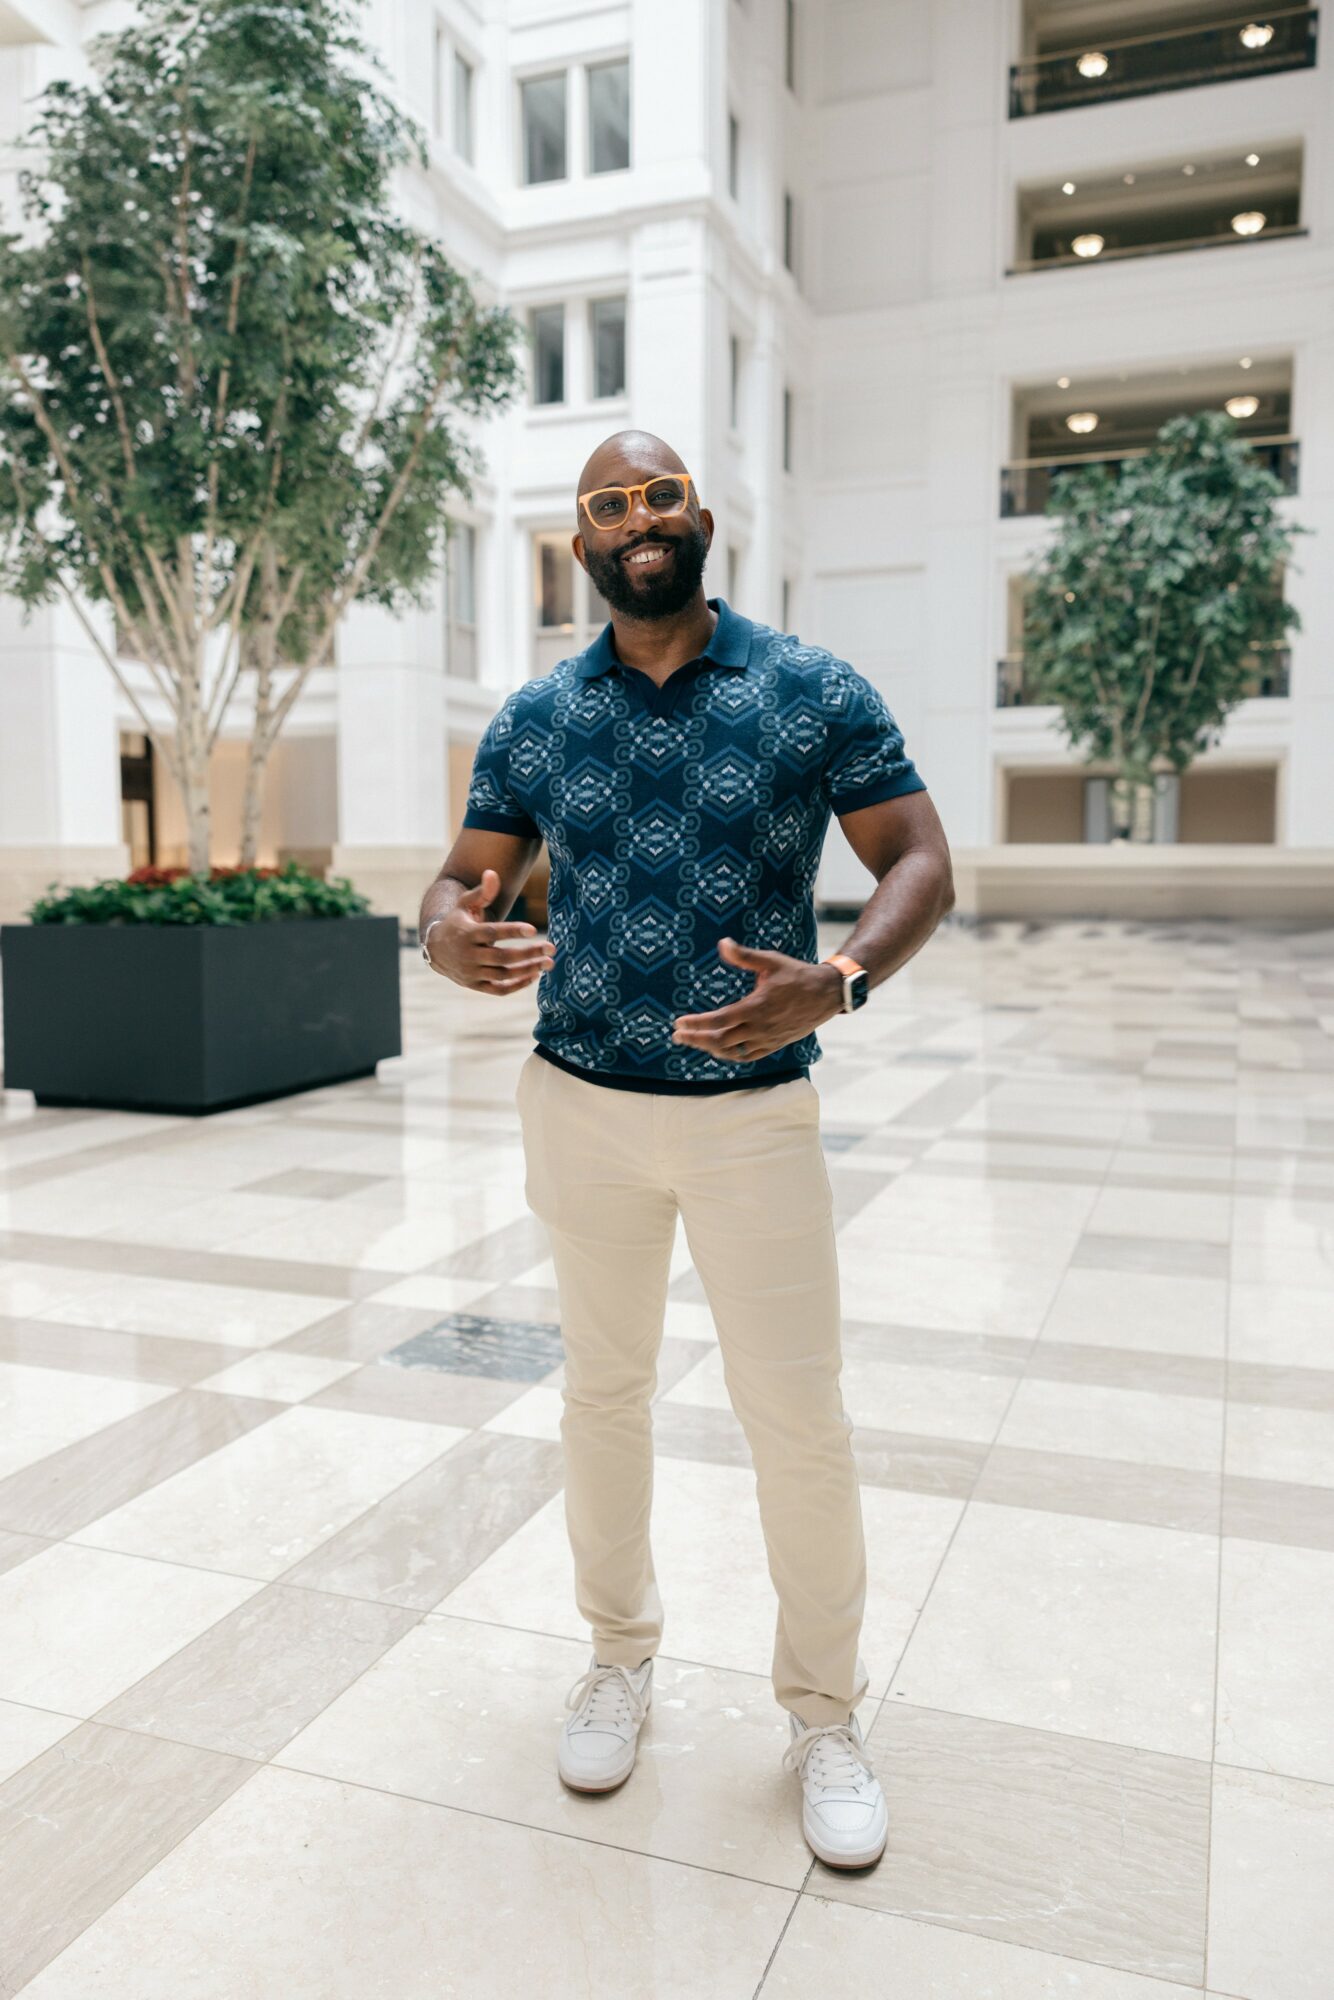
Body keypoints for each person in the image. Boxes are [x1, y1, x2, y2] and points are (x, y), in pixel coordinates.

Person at [420, 430, 953, 1870]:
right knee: (602, 1394)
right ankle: (617, 1658)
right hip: (580, 1106)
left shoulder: (807, 689)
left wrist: (837, 981)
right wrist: (446, 933)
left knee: (799, 1420)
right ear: (579, 543)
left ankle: (823, 1716)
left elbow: (918, 858)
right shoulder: (534, 716)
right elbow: (463, 882)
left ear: (698, 520)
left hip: (753, 1121)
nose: (636, 521)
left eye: (658, 497)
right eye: (609, 506)